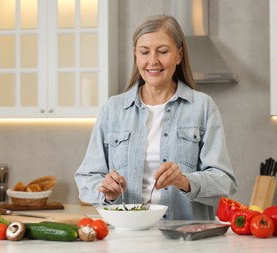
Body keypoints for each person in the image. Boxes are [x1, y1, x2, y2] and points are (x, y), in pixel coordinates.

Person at [75, 14, 237, 220]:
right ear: (135, 55)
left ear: (179, 55)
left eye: (162, 51)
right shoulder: (113, 109)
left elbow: (225, 182)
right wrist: (106, 191)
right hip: (127, 237)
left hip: (185, 237)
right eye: (144, 52)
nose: (153, 61)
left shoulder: (202, 107)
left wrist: (185, 181)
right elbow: (86, 177)